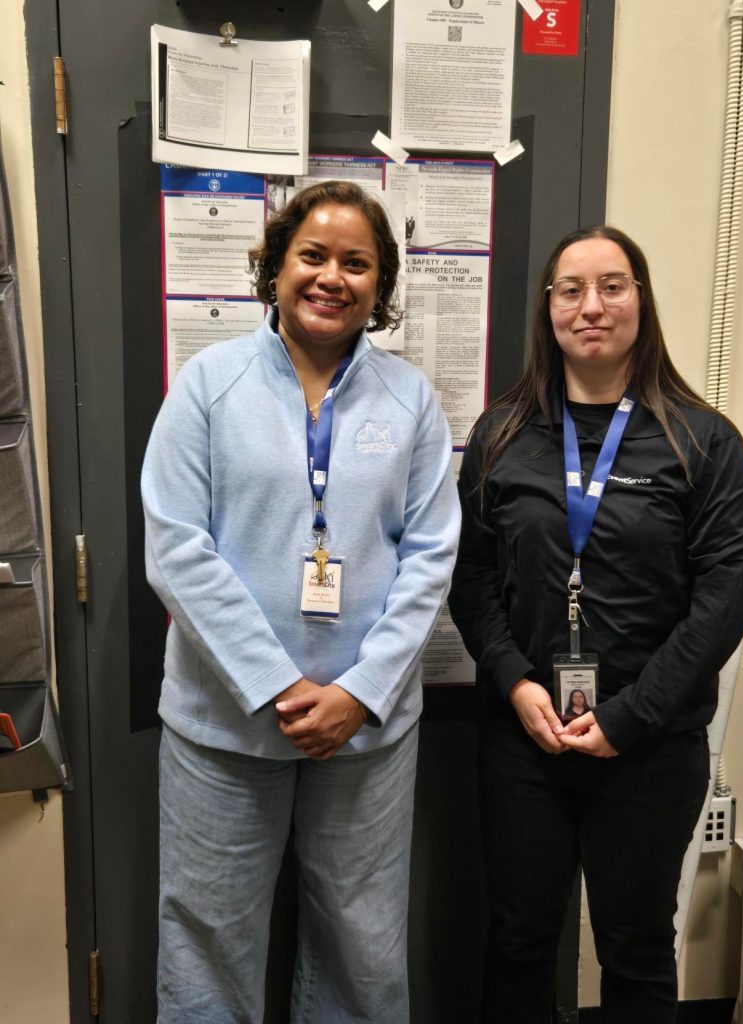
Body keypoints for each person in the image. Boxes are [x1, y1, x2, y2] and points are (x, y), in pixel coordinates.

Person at [142, 180, 460, 1024]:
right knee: (208, 939)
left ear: (379, 285)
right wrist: (278, 686)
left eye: (356, 263)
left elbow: (431, 556)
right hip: (223, 725)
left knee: (363, 945)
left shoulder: (411, 400)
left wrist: (360, 691)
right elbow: (176, 548)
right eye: (312, 255)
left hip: (367, 733)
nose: (331, 277)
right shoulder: (208, 384)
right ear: (277, 267)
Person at [448, 225, 743, 1024]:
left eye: (612, 286)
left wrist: (630, 717)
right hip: (525, 739)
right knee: (518, 941)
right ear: (548, 308)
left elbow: (725, 600)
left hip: (650, 746)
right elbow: (472, 581)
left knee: (636, 947)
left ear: (640, 301)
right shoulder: (501, 435)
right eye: (571, 289)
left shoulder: (705, 442)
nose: (591, 306)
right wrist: (515, 684)